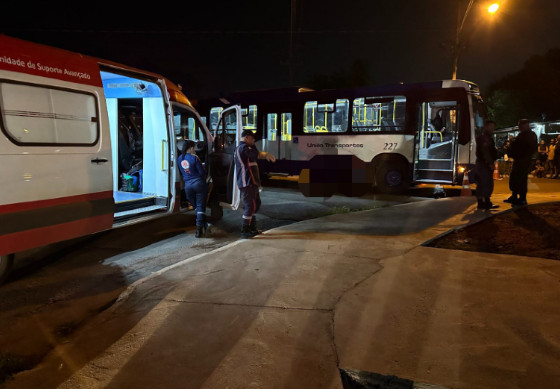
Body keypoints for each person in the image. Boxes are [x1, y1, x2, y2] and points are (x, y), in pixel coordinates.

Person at [234, 129, 276, 239]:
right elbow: (255, 154)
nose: (254, 141)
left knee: (255, 204)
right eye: (252, 139)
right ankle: (245, 230)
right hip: (247, 182)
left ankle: (252, 227)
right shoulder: (243, 148)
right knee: (250, 205)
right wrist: (266, 154)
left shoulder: (247, 147)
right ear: (246, 137)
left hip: (252, 182)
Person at [178, 140, 209, 238]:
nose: (194, 150)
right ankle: (199, 229)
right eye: (194, 148)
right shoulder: (194, 158)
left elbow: (182, 172)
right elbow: (201, 173)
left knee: (196, 207)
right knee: (200, 207)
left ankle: (205, 224)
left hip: (188, 186)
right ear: (191, 148)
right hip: (198, 184)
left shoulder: (180, 158)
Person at [504, 119, 538, 206]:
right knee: (514, 177)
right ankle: (514, 195)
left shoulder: (530, 135)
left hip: (523, 160)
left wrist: (513, 143)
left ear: (526, 125)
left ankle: (522, 198)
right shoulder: (522, 134)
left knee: (521, 179)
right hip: (519, 159)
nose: (519, 127)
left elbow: (525, 147)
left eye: (520, 125)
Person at [474, 120, 499, 210]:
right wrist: (489, 163)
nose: (492, 129)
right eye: (491, 127)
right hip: (484, 164)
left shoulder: (483, 137)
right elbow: (485, 151)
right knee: (486, 183)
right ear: (486, 127)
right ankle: (486, 202)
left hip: (482, 163)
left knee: (481, 184)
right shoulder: (485, 138)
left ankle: (481, 203)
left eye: (493, 127)